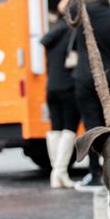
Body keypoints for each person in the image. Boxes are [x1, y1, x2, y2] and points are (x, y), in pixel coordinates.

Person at [59, 0, 110, 192]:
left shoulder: (84, 11)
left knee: (93, 126)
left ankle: (95, 175)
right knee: (109, 126)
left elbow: (63, 8)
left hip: (87, 76)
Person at [41, 13, 81, 189]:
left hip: (51, 88)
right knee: (69, 129)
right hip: (68, 87)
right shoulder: (73, 33)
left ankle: (55, 174)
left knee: (55, 129)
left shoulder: (52, 34)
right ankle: (60, 172)